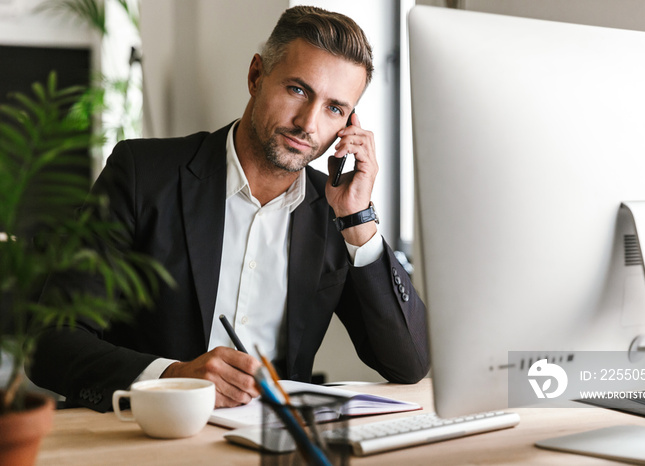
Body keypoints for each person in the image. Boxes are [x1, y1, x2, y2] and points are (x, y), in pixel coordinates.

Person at [29, 5, 429, 412]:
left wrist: (358, 220)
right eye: (298, 90)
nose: (308, 123)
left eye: (334, 108)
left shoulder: (334, 213)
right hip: (149, 435)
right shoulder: (141, 174)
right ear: (256, 76)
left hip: (273, 442)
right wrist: (173, 377)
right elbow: (51, 342)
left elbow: (409, 363)